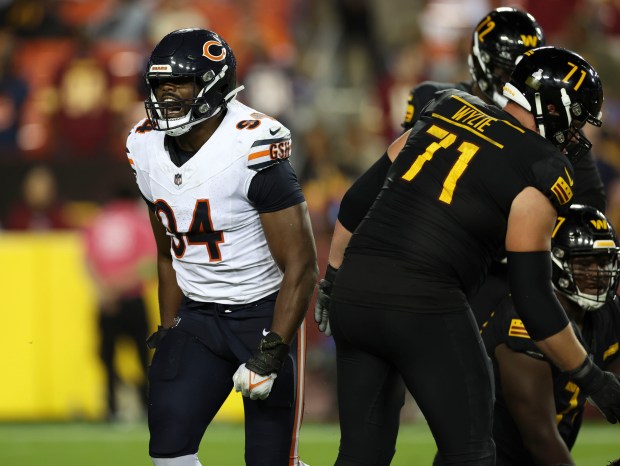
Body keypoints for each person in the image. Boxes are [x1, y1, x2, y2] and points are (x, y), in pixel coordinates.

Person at [322, 46, 620, 466]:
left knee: (360, 453)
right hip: (424, 303)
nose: (579, 136)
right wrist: (592, 378)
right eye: (577, 121)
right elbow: (534, 301)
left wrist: (332, 280)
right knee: (472, 452)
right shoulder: (543, 166)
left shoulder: (446, 106)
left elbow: (355, 203)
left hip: (353, 295)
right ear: (552, 108)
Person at [314, 6, 607, 336]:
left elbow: (589, 206)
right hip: (434, 261)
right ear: (481, 62)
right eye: (505, 68)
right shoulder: (439, 100)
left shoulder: (556, 130)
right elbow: (391, 190)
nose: (514, 79)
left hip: (507, 272)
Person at [125, 28, 318, 466]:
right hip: (197, 314)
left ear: (214, 85)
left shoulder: (251, 143)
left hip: (263, 313)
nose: (167, 95)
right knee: (168, 450)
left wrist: (272, 350)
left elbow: (302, 265)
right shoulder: (142, 144)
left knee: (271, 462)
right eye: (160, 85)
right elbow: (166, 251)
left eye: (181, 83)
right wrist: (170, 325)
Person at [480, 204, 620, 466]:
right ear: (553, 261)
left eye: (603, 262)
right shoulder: (522, 319)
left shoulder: (607, 313)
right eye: (584, 262)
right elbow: (540, 438)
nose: (597, 273)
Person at [83, 187, 156, 422]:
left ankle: (112, 407)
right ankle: (147, 406)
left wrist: (106, 290)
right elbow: (150, 264)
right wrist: (122, 285)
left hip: (107, 302)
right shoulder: (138, 221)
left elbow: (87, 261)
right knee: (142, 357)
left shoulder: (97, 222)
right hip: (132, 299)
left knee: (106, 357)